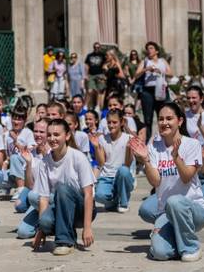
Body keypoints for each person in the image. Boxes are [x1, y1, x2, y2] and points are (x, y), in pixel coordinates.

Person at [131, 103, 204, 262]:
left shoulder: (191, 144)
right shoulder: (154, 145)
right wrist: (145, 160)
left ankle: (191, 247)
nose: (164, 122)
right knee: (160, 253)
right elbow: (155, 181)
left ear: (180, 121)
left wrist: (176, 158)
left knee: (174, 201)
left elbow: (187, 177)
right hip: (166, 212)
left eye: (169, 118)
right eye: (160, 119)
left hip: (193, 209)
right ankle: (175, 237)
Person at [32, 119, 96, 256]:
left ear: (67, 136)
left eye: (56, 135)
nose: (52, 138)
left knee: (62, 188)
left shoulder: (78, 157)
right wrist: (41, 230)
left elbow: (88, 194)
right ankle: (69, 234)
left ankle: (64, 242)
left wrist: (87, 227)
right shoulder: (44, 162)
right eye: (49, 135)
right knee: (44, 221)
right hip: (61, 206)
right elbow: (43, 197)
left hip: (81, 208)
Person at [94, 110, 134, 213]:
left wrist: (129, 149)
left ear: (121, 122)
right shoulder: (102, 138)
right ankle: (114, 201)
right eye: (109, 122)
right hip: (106, 177)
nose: (111, 125)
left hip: (122, 176)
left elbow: (128, 164)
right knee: (98, 196)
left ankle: (124, 202)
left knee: (123, 171)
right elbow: (101, 163)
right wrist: (96, 147)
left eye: (114, 122)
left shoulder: (128, 138)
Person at [133, 41, 170, 142]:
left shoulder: (162, 61)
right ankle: (148, 140)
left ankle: (164, 138)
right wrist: (146, 69)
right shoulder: (145, 61)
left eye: (151, 48)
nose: (148, 50)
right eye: (147, 48)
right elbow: (136, 75)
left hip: (161, 89)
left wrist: (160, 71)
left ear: (156, 51)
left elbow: (171, 73)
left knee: (162, 116)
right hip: (148, 91)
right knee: (148, 118)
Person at [84, 42, 106, 111]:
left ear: (100, 48)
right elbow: (87, 65)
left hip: (100, 74)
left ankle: (97, 106)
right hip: (91, 75)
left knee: (99, 91)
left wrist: (104, 73)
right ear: (93, 48)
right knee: (90, 90)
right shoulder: (89, 55)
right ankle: (86, 106)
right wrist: (86, 74)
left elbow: (106, 62)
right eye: (95, 47)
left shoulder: (103, 55)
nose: (96, 48)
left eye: (98, 47)